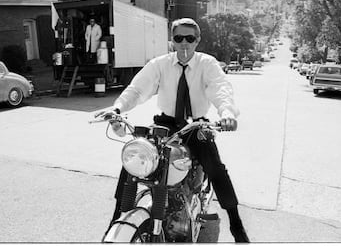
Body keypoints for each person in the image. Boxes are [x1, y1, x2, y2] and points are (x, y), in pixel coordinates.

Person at [97, 18, 249, 242]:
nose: (184, 43)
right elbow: (137, 89)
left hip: (196, 125)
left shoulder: (207, 64)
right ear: (172, 41)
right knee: (135, 158)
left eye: (190, 38)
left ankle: (237, 226)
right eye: (179, 38)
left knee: (215, 168)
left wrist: (226, 114)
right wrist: (117, 108)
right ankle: (117, 217)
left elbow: (220, 89)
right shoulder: (160, 64)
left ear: (197, 40)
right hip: (166, 124)